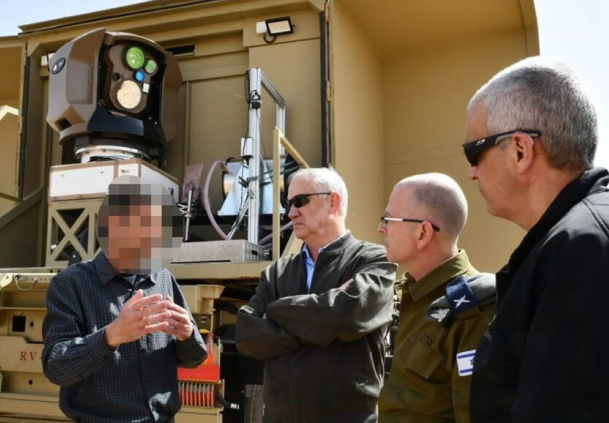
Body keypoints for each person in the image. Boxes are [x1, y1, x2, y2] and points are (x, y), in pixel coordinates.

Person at [463, 57, 609, 423]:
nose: (471, 173)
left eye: (473, 153)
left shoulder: (578, 251)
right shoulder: (575, 240)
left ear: (520, 151)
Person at [42, 175, 208, 423]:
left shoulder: (162, 279)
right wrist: (111, 336)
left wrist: (188, 335)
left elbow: (194, 359)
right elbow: (56, 367)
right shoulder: (71, 284)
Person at [235, 167, 396, 423]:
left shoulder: (374, 260)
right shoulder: (277, 271)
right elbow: (246, 335)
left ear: (333, 202)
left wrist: (275, 310)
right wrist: (322, 324)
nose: (291, 213)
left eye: (300, 201)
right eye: (288, 203)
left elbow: (344, 315)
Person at [376, 173, 495, 423]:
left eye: (388, 220)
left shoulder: (473, 311)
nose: (381, 228)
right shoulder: (405, 295)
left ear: (423, 233)